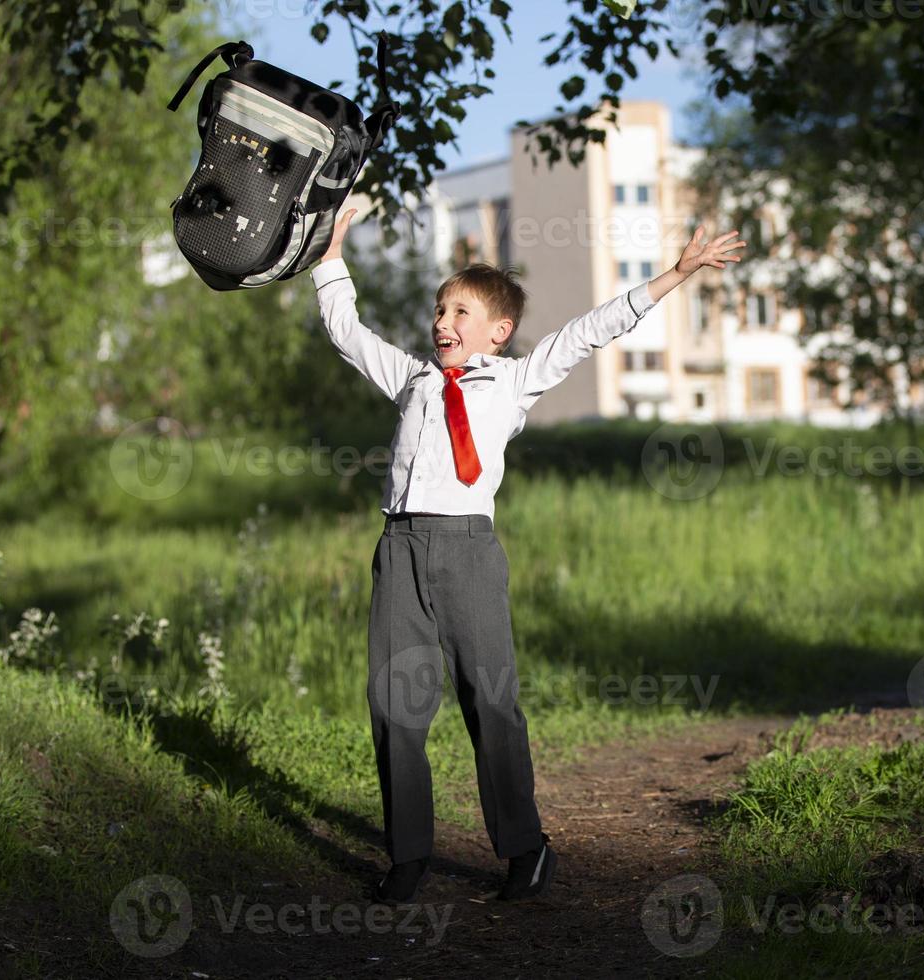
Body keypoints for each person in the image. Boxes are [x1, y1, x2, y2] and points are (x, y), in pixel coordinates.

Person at [310, 206, 746, 904]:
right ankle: (409, 856)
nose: (441, 322)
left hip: (468, 552)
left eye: (459, 311)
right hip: (399, 548)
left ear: (497, 331)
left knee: (491, 701)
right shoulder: (413, 379)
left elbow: (592, 329)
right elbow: (344, 331)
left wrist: (677, 273)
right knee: (395, 704)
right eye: (438, 309)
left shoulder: (512, 381)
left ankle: (524, 847)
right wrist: (330, 251)